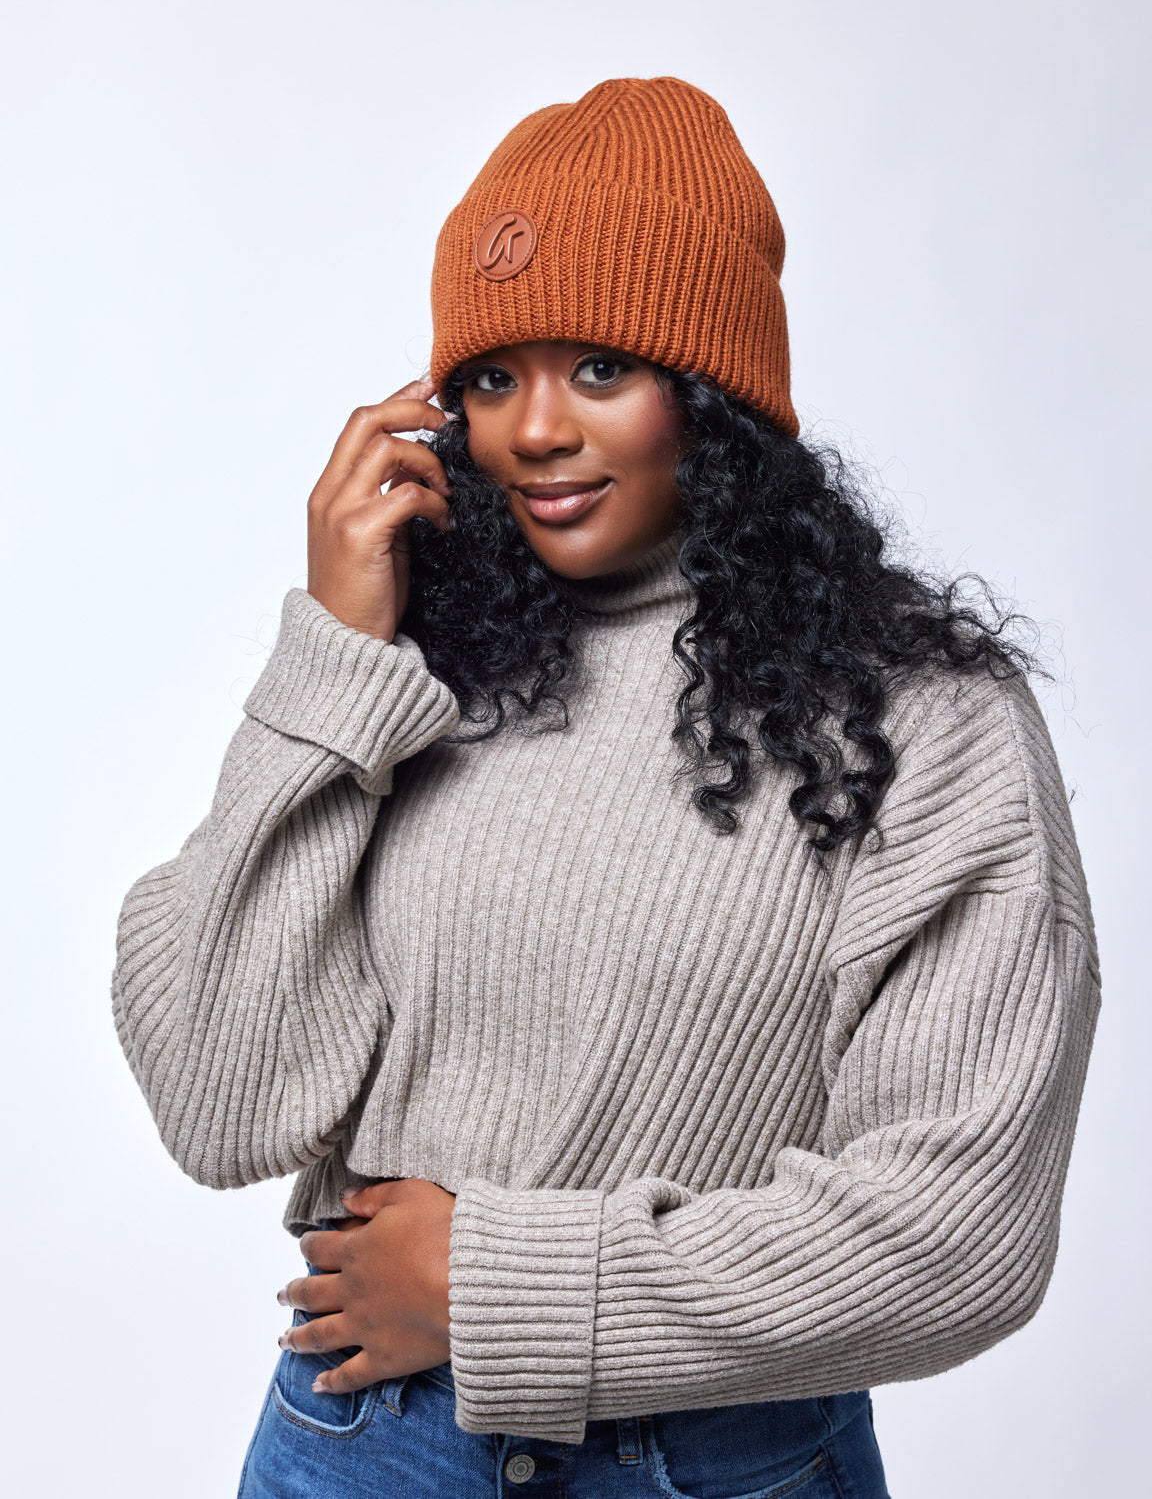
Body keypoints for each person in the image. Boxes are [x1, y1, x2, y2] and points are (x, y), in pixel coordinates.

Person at [111, 76, 1101, 1499]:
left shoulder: (921, 718)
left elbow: (964, 1227)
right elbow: (215, 1100)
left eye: (601, 370)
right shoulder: (413, 670)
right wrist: (332, 660)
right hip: (358, 1447)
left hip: (723, 1468)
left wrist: (496, 1287)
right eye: (494, 376)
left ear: (712, 396)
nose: (535, 432)